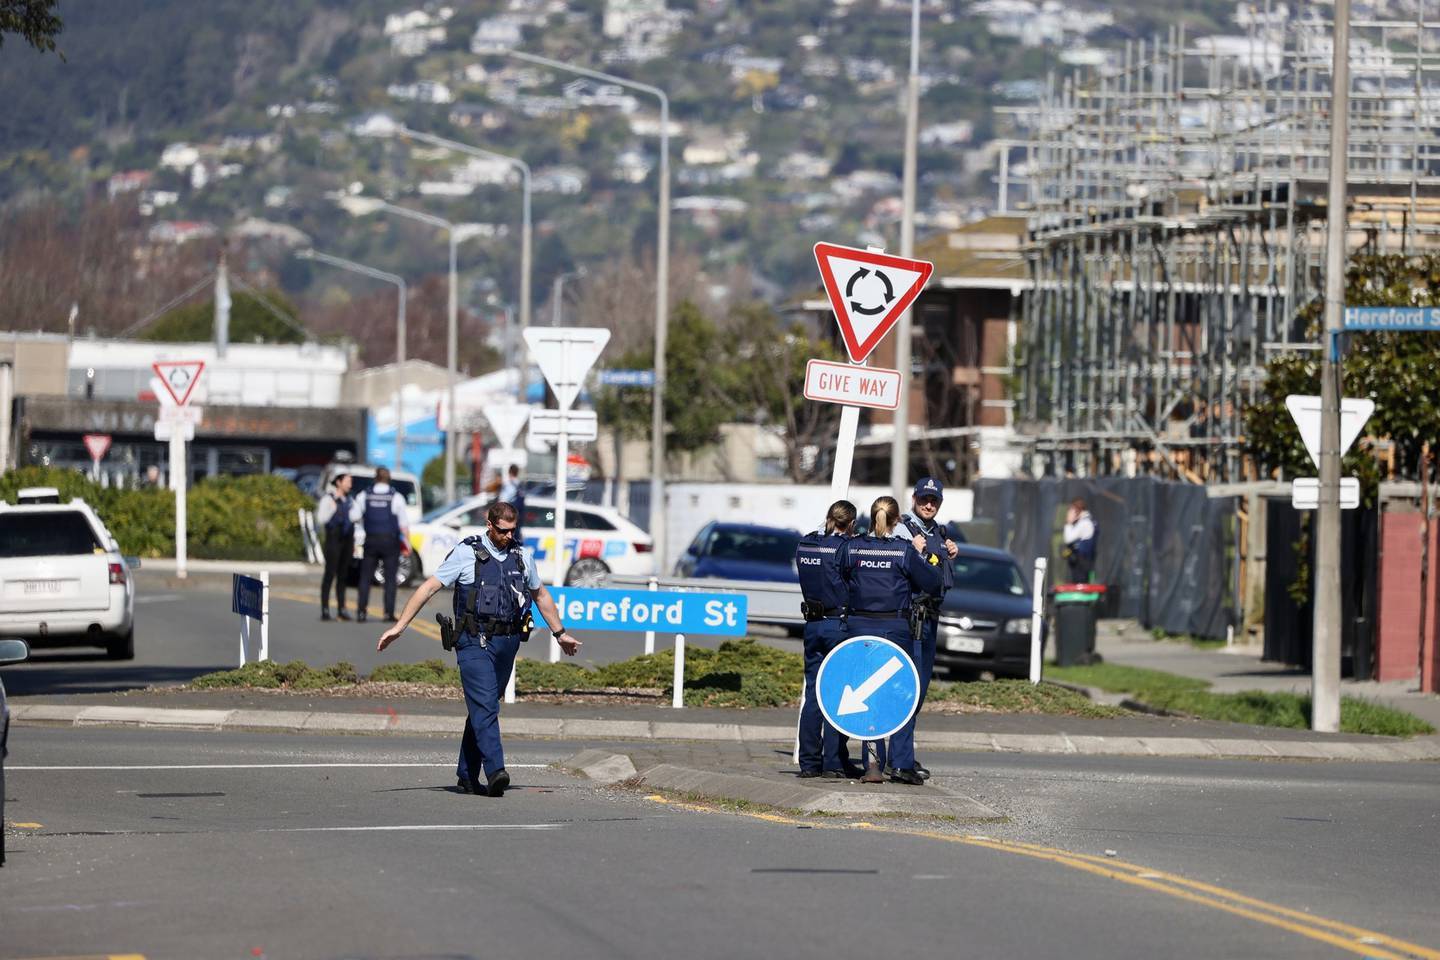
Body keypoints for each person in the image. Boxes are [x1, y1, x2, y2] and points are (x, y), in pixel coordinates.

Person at [377, 501, 578, 797]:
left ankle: (467, 775)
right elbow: (428, 587)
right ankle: (496, 769)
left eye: (512, 530)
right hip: (473, 640)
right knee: (485, 704)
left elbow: (541, 595)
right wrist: (400, 626)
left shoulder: (522, 556)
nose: (508, 536)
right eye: (502, 530)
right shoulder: (466, 552)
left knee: (482, 708)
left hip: (507, 642)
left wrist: (560, 633)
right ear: (489, 524)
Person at [838, 495, 944, 785]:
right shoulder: (903, 551)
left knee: (866, 694)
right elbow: (933, 582)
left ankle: (873, 763)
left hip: (859, 627)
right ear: (897, 520)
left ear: (871, 518)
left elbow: (838, 575)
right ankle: (901, 763)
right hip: (895, 629)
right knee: (901, 694)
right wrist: (922, 555)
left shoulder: (853, 547)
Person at [895, 476, 960, 781]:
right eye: (924, 499)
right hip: (911, 619)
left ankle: (902, 755)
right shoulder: (904, 530)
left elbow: (943, 580)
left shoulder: (938, 532)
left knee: (918, 692)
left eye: (934, 500)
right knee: (907, 689)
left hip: (931, 618)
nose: (929, 504)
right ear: (914, 499)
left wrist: (949, 555)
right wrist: (917, 551)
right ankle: (898, 759)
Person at [795, 499, 862, 779]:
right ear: (851, 524)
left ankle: (809, 761)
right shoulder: (845, 549)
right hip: (837, 624)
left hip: (812, 624)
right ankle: (832, 761)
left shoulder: (805, 544)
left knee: (813, 693)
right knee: (836, 694)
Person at [351, 467, 410, 623]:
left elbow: (355, 516)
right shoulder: (396, 497)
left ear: (375, 478)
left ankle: (361, 612)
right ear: (388, 479)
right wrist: (407, 545)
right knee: (390, 578)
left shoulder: (364, 495)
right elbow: (404, 525)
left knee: (365, 577)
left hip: (371, 540)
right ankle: (388, 613)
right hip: (390, 541)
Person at [316, 473, 355, 621]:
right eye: (347, 481)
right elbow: (321, 519)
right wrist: (333, 509)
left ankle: (341, 608)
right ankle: (325, 609)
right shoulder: (328, 499)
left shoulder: (350, 500)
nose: (350, 484)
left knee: (343, 576)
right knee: (329, 574)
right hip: (333, 540)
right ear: (338, 482)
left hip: (347, 540)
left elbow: (357, 515)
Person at [1062, 498, 1098, 583]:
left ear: (1076, 511)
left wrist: (1068, 523)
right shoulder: (1086, 522)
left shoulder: (1084, 523)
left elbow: (1068, 539)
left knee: (1080, 584)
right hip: (1082, 562)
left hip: (1081, 563)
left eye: (1071, 511)